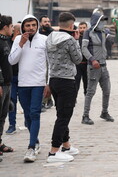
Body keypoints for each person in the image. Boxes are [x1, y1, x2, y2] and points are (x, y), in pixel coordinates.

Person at [9, 14, 49, 162]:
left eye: (33, 25)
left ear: (37, 25)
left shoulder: (44, 40)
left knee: (35, 113)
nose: (31, 28)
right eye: (28, 25)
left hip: (38, 83)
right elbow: (12, 60)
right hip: (23, 83)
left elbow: (50, 63)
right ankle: (36, 141)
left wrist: (48, 82)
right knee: (27, 117)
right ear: (23, 27)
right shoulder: (19, 40)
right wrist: (21, 44)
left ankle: (31, 147)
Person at [46, 12, 82, 163]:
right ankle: (54, 151)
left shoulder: (50, 38)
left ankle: (66, 145)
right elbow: (78, 59)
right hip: (67, 81)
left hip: (54, 79)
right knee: (64, 116)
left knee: (61, 113)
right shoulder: (70, 40)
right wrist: (77, 40)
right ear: (71, 25)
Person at [81, 12, 114, 125]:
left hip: (104, 66)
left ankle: (104, 112)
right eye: (101, 21)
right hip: (93, 67)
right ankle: (85, 115)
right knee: (90, 91)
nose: (103, 23)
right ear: (95, 21)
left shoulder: (105, 32)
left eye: (104, 21)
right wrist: (92, 59)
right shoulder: (88, 33)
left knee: (107, 90)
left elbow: (114, 40)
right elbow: (84, 48)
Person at [0, 15, 14, 156]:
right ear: (5, 27)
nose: (12, 29)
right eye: (11, 26)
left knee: (3, 115)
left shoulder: (7, 41)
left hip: (7, 83)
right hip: (1, 84)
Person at [6, 24, 21, 134]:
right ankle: (12, 124)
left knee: (26, 101)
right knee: (12, 101)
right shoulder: (7, 42)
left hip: (23, 77)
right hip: (12, 76)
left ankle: (28, 121)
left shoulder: (24, 42)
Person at [39, 16, 54, 110]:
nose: (47, 23)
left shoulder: (53, 33)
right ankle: (49, 100)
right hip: (40, 59)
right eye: (45, 21)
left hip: (50, 59)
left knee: (46, 80)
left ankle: (43, 103)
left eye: (48, 21)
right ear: (41, 23)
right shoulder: (38, 33)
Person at [75, 22, 88, 96]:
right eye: (81, 28)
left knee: (87, 82)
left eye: (84, 27)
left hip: (87, 64)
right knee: (76, 82)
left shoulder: (90, 37)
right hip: (78, 65)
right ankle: (74, 98)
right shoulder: (75, 38)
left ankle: (87, 97)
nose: (82, 29)